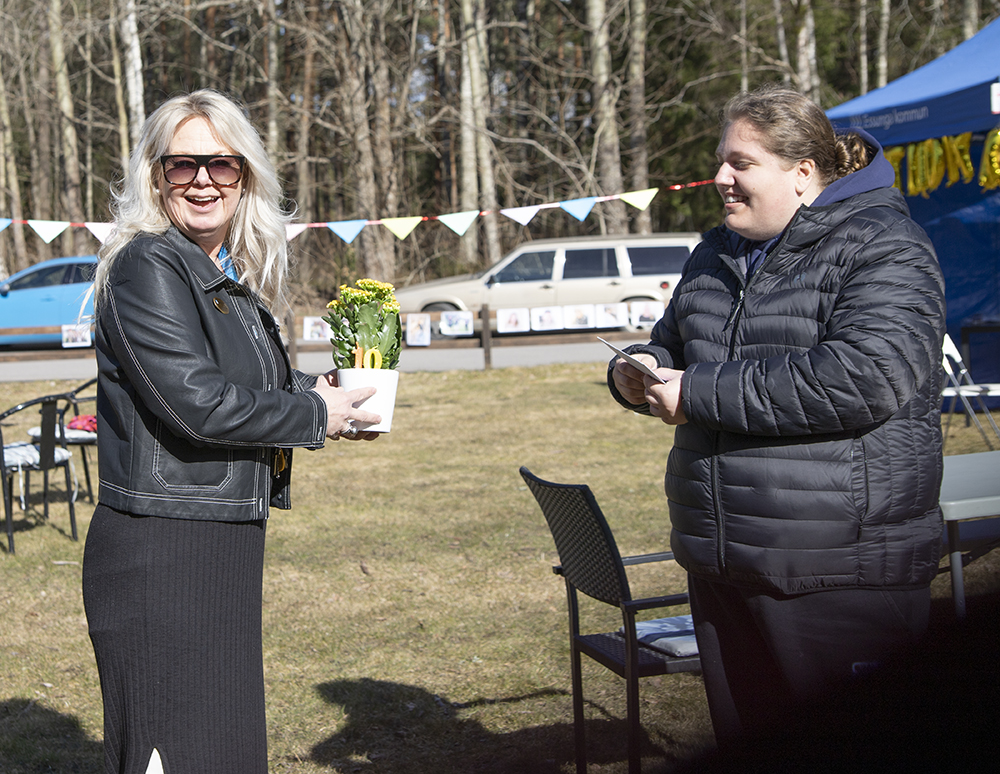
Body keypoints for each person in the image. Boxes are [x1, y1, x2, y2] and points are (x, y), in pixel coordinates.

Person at [608, 84, 945, 744]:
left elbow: (864, 378)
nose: (720, 177)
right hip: (724, 563)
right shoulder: (716, 252)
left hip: (836, 569)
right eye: (720, 159)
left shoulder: (885, 246)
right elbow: (672, 343)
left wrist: (697, 393)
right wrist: (634, 372)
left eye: (741, 162)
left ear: (801, 173)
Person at [82, 89, 381, 774]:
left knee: (223, 749)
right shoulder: (146, 264)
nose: (204, 181)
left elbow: (249, 385)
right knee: (178, 755)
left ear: (245, 175)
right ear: (155, 176)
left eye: (223, 164)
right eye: (183, 165)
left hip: (216, 540)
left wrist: (326, 395)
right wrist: (312, 418)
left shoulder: (216, 273)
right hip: (161, 549)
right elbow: (197, 405)